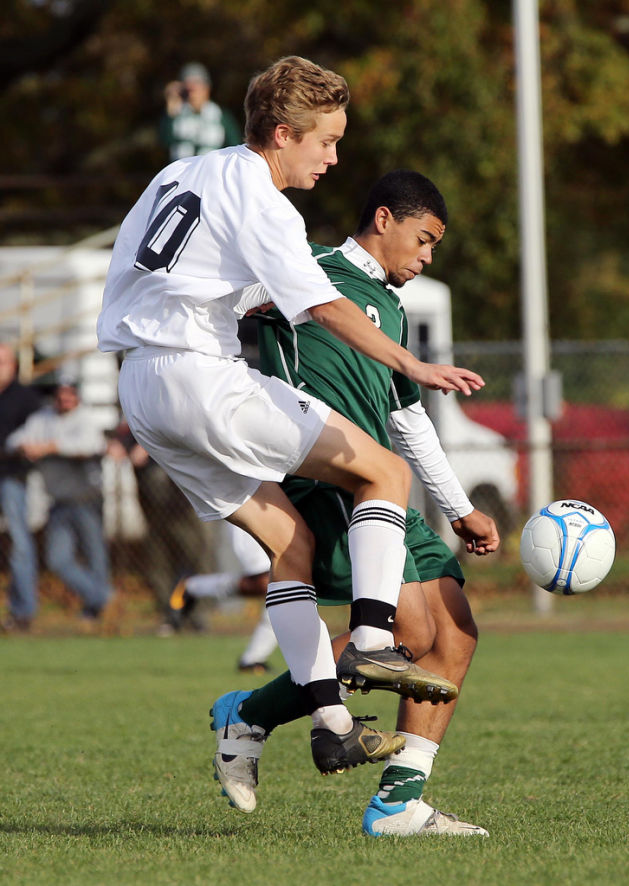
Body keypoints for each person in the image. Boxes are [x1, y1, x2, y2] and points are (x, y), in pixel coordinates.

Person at [98, 55, 484, 777]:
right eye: (325, 141)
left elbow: (162, 272)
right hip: (199, 373)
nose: (335, 158)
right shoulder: (262, 195)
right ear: (282, 133)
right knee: (386, 473)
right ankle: (371, 639)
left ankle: (331, 723)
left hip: (143, 388)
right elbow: (324, 306)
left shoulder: (179, 174)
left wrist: (239, 300)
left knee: (289, 545)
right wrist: (412, 365)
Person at [210, 169, 499, 836]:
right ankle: (248, 712)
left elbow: (407, 420)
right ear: (382, 219)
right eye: (423, 240)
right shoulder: (302, 270)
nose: (427, 258)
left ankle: (399, 803)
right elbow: (210, 295)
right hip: (328, 481)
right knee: (410, 633)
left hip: (384, 485)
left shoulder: (394, 313)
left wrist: (457, 506)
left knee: (453, 632)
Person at [6, 379, 113, 623]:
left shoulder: (85, 419)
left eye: (70, 396)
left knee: (95, 556)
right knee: (57, 560)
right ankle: (102, 597)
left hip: (87, 499)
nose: (65, 401)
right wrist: (26, 446)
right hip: (59, 501)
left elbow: (90, 445)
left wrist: (51, 447)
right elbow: (14, 440)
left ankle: (96, 609)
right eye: (61, 396)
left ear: (77, 398)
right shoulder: (43, 419)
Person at [107, 419, 215, 632]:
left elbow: (187, 431)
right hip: (154, 506)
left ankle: (197, 613)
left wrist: (149, 446)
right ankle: (169, 615)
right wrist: (122, 444)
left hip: (185, 504)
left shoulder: (176, 400)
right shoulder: (138, 401)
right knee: (159, 560)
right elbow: (127, 433)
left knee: (195, 556)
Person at [167, 522, 278, 672]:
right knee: (268, 583)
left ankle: (253, 659)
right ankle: (192, 586)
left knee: (289, 588)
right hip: (255, 516)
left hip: (291, 517)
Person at [0, 344, 42, 632]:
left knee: (18, 544)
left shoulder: (25, 398)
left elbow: (36, 437)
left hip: (12, 479)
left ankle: (23, 611)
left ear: (13, 365)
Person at [160, 62, 242, 162]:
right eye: (188, 89)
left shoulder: (220, 115)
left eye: (196, 86)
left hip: (211, 172)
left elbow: (234, 146)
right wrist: (171, 107)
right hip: (182, 173)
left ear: (207, 88)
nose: (192, 93)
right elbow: (164, 142)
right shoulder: (176, 114)